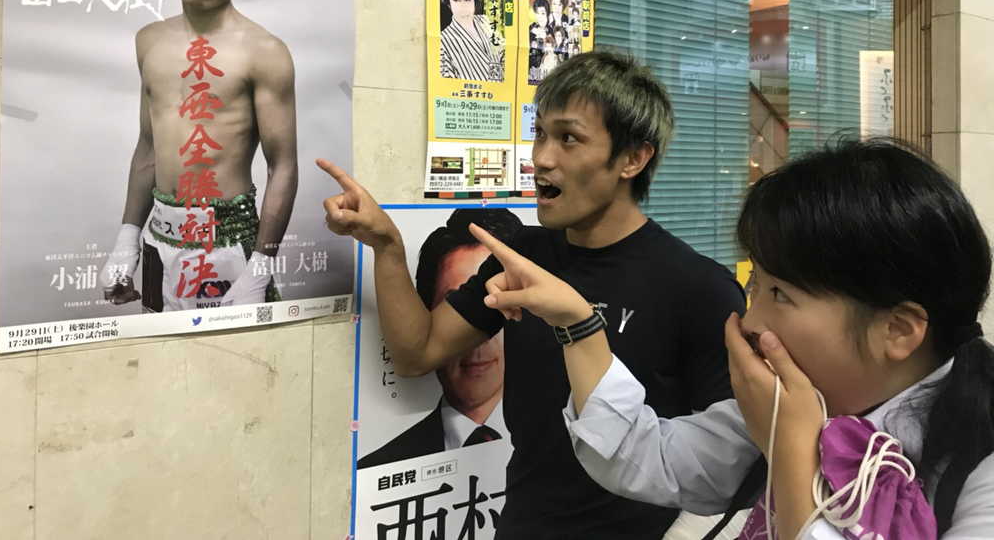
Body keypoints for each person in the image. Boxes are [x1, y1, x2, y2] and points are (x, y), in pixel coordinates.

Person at [470, 137, 994, 539]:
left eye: (780, 293)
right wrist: (578, 324)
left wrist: (791, 452)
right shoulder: (789, 407)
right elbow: (641, 456)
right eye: (754, 284)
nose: (750, 320)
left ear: (897, 330)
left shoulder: (978, 467)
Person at [319, 51, 745, 538]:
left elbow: (734, 471)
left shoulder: (700, 288)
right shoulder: (524, 255)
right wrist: (387, 247)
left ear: (633, 158)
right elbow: (420, 351)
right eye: (540, 133)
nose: (541, 158)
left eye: (568, 138)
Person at [101, 0, 298, 312]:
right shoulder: (148, 41)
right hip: (160, 237)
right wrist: (127, 239)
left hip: (230, 242)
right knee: (158, 347)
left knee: (238, 354)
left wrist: (261, 266)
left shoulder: (266, 51)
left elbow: (282, 164)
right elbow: (149, 146)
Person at [358, 208, 522, 469]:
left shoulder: (564, 435)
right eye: (459, 306)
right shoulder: (380, 466)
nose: (478, 336)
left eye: (498, 300)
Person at [438, 0, 505, 82]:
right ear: (448, 2)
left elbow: (505, 55)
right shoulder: (443, 41)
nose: (463, 6)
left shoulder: (485, 22)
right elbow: (447, 83)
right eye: (456, 0)